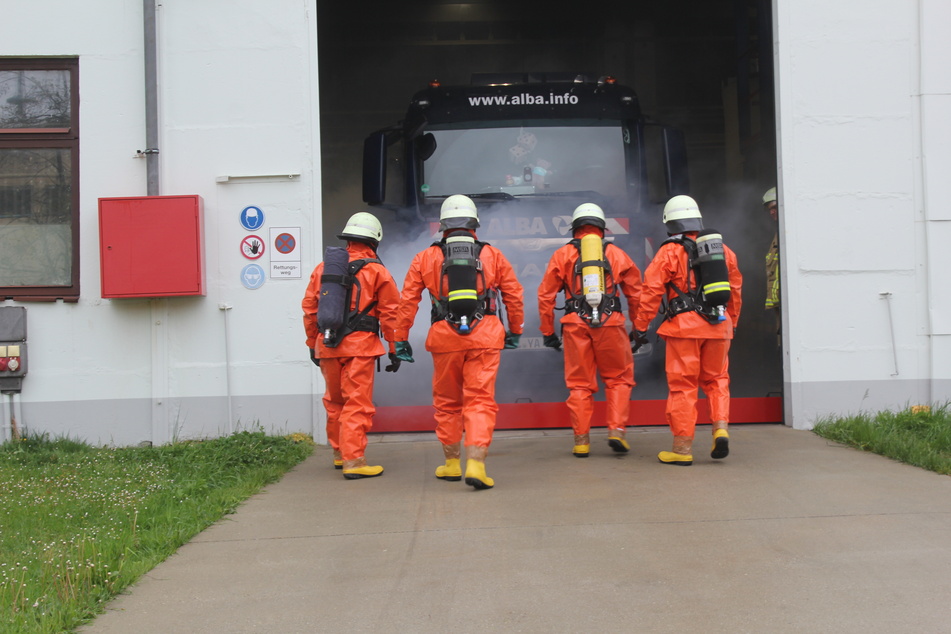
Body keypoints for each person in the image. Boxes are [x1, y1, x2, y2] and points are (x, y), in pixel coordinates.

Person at [393, 194, 524, 490]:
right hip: (486, 337)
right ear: (474, 224)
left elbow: (407, 303)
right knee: (479, 401)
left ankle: (452, 463)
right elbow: (514, 295)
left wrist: (399, 340)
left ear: (443, 226)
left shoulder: (425, 258)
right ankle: (476, 463)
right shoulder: (492, 255)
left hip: (444, 339)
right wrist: (514, 330)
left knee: (448, 403)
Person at [631, 195, 742, 466]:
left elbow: (651, 291)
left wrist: (640, 327)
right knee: (717, 380)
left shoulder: (669, 252)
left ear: (671, 223)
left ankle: (682, 450)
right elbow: (735, 290)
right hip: (719, 326)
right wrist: (732, 323)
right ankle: (720, 429)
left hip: (683, 329)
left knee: (683, 387)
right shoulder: (723, 251)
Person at [537, 203, 642, 457]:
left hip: (575, 325)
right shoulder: (617, 254)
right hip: (611, 323)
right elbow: (637, 293)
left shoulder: (562, 255)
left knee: (579, 385)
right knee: (618, 379)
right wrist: (639, 328)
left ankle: (581, 442)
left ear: (575, 229)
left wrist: (547, 331)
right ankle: (616, 430)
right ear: (602, 229)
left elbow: (545, 297)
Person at [301, 212, 400, 479]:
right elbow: (392, 314)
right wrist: (394, 348)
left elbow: (310, 310)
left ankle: (339, 454)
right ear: (374, 241)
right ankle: (354, 462)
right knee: (357, 404)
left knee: (335, 403)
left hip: (328, 345)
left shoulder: (323, 269)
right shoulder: (377, 271)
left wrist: (313, 344)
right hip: (361, 347)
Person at [762, 187, 781, 347]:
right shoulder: (778, 234)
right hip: (780, 305)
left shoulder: (787, 233)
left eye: (775, 207)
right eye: (770, 210)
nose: (772, 212)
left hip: (787, 304)